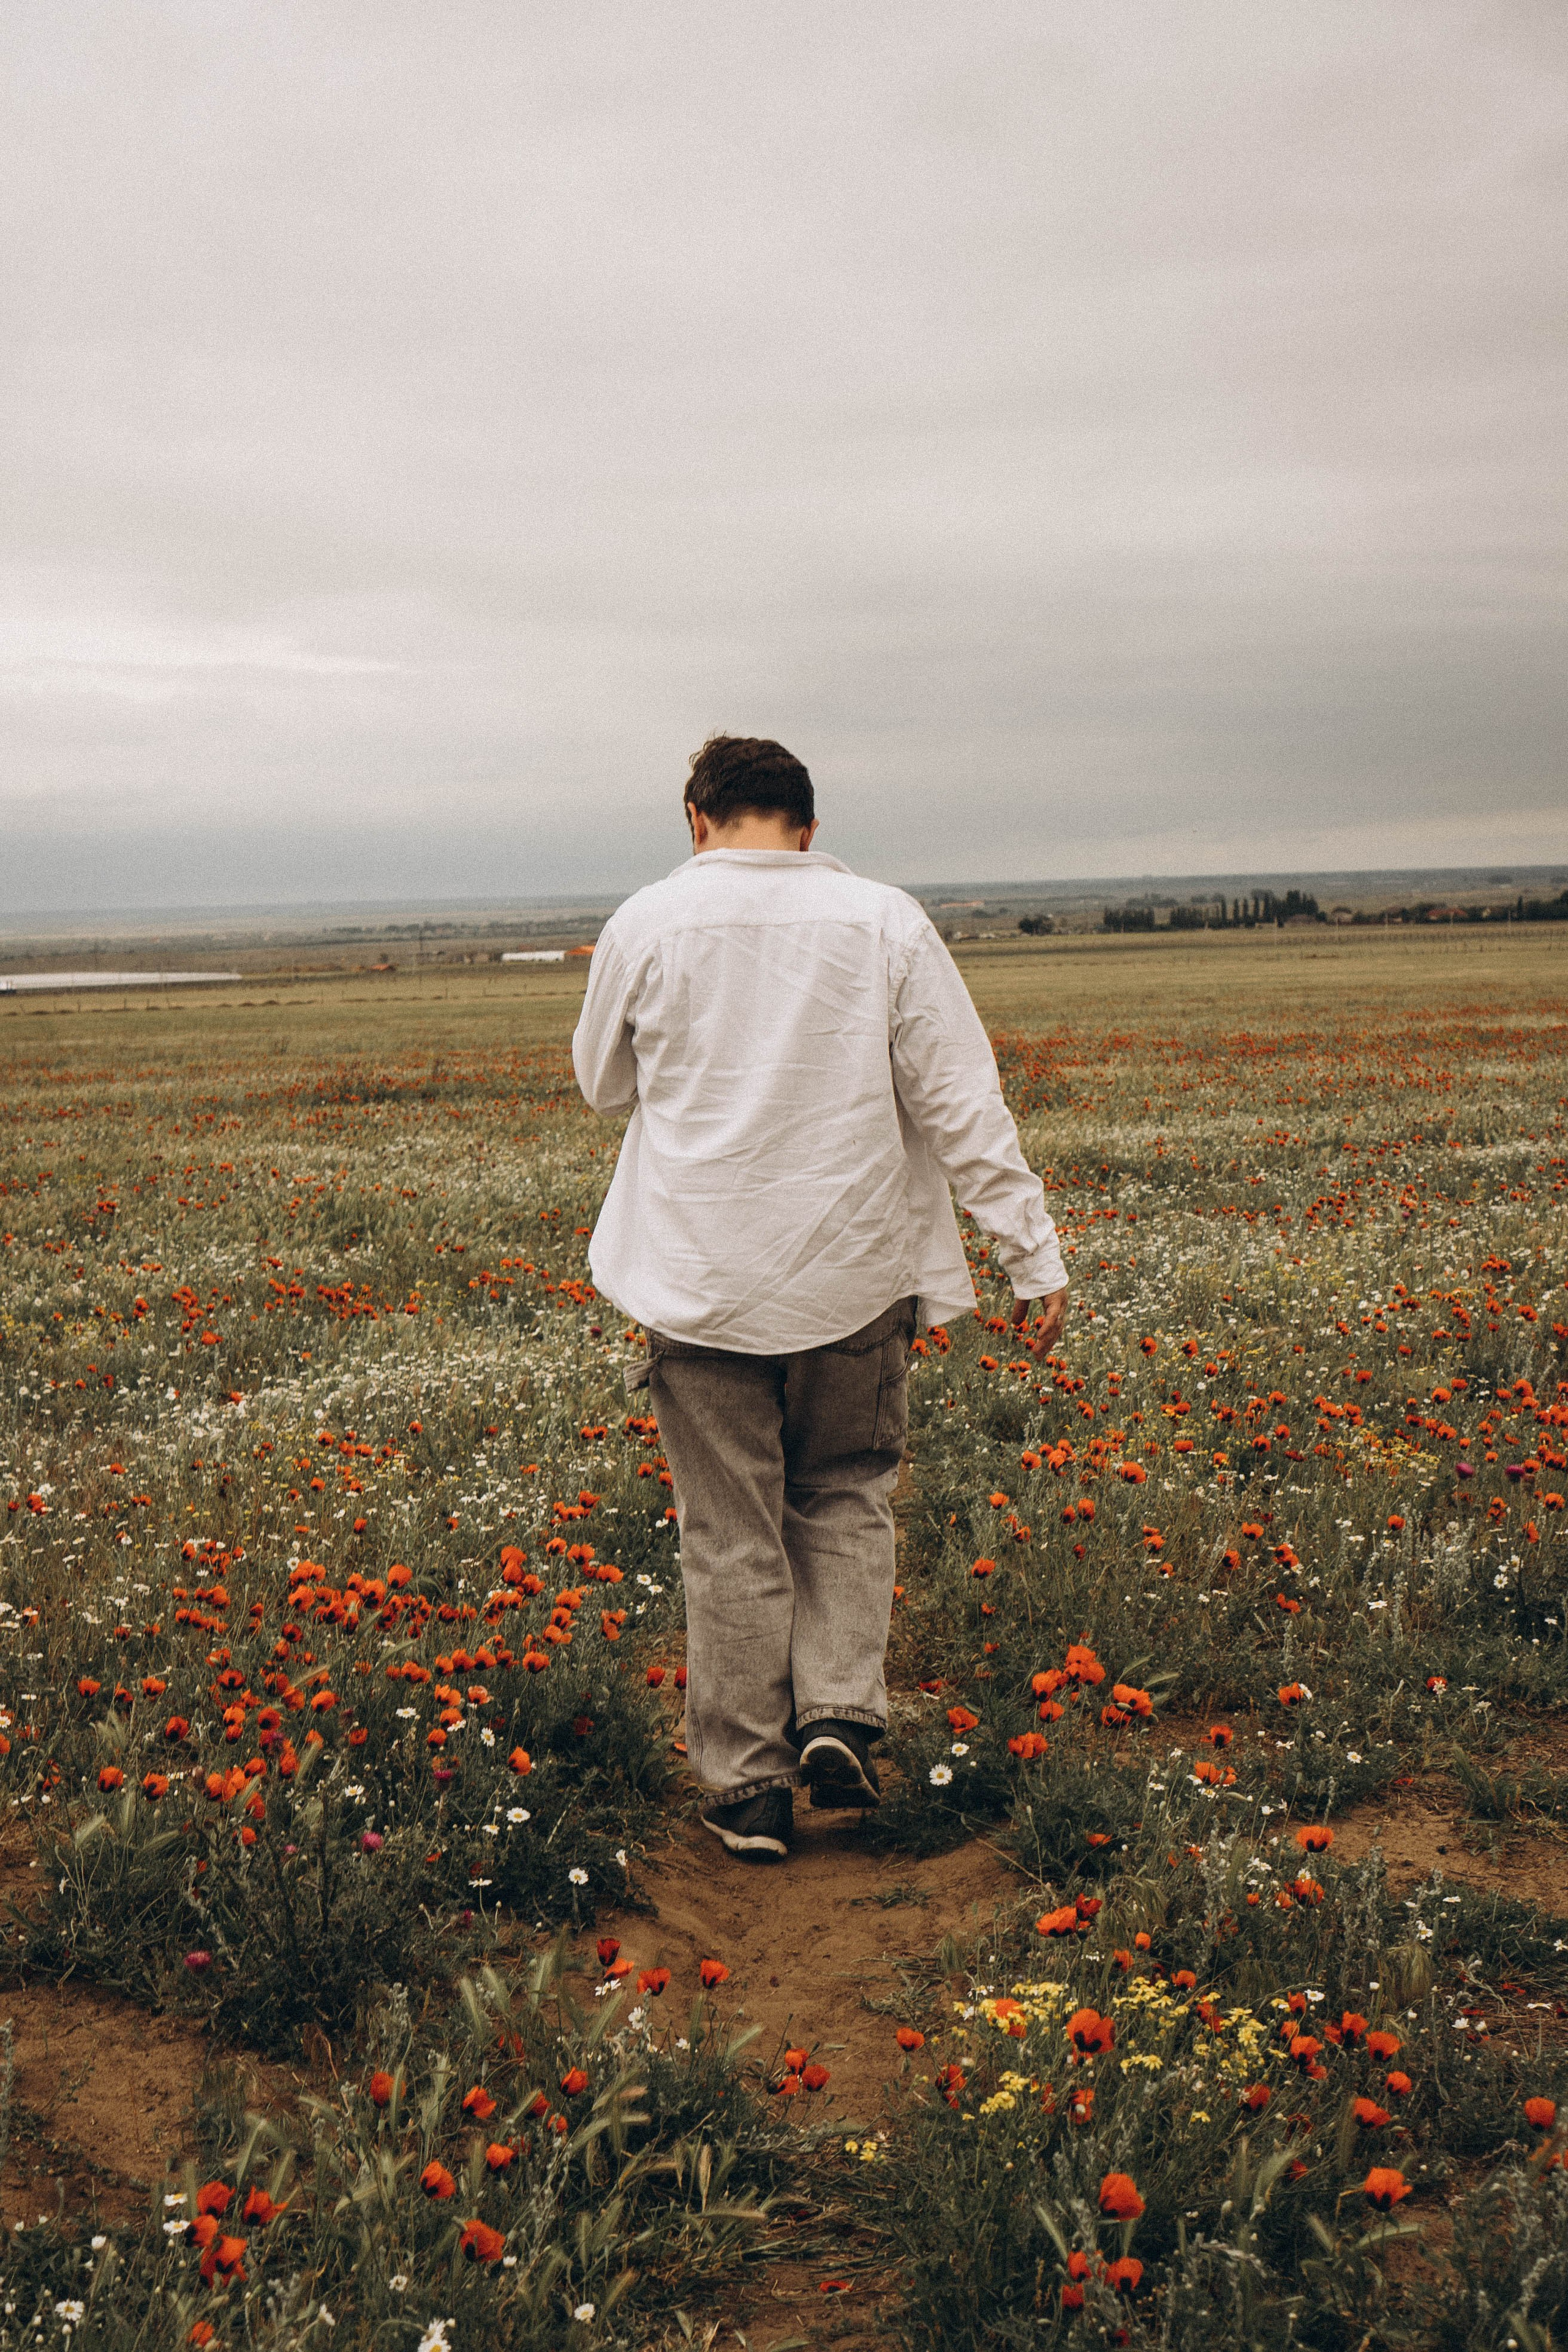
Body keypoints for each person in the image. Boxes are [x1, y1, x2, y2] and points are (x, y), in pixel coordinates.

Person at [571, 735, 1068, 1861]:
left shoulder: (647, 923)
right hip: (854, 1274)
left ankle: (748, 1788)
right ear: (807, 826)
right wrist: (1029, 1253)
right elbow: (962, 1099)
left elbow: (602, 1086)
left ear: (696, 819)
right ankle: (839, 1712)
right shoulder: (886, 921)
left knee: (729, 1531)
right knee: (844, 1490)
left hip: (698, 1282)